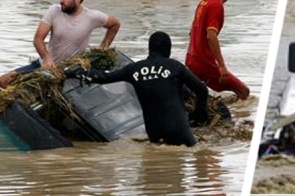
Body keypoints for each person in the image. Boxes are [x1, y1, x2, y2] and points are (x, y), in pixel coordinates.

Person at [67, 31, 208, 147]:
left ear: (150, 48)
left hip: (155, 132)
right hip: (180, 130)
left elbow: (103, 77)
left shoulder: (133, 69)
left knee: (154, 171)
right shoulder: (175, 66)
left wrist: (73, 73)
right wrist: (198, 114)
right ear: (168, 49)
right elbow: (202, 90)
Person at [0, 0, 121, 88]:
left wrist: (104, 46)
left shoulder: (92, 17)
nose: (61, 0)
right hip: (43, 66)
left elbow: (115, 24)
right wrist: (46, 58)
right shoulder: (54, 10)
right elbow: (38, 39)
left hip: (68, 72)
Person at [185, 0, 250, 100]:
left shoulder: (204, 2)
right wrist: (221, 66)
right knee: (244, 91)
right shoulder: (216, 6)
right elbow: (211, 36)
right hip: (204, 63)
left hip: (191, 61)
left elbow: (192, 31)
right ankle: (234, 115)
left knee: (195, 97)